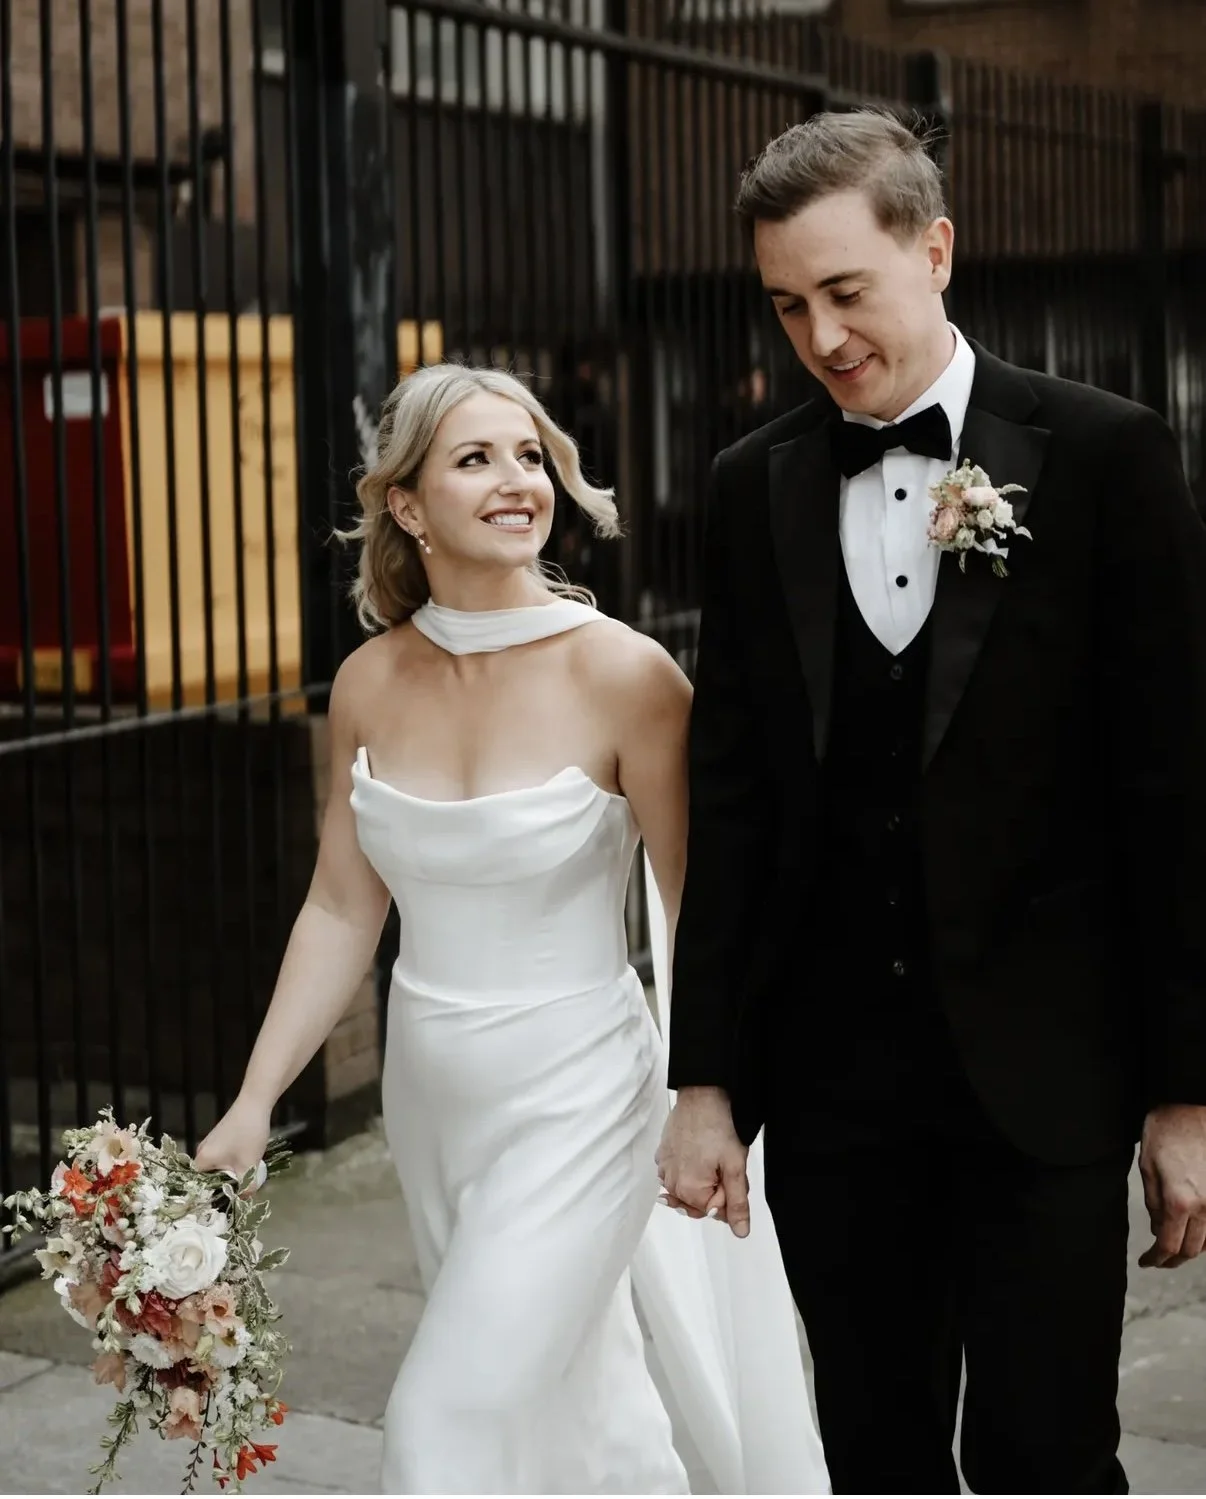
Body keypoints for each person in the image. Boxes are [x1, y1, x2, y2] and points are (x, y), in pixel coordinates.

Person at [656, 109, 1206, 1496]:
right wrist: (706, 1078)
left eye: (846, 291)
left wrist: (1182, 1093)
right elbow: (730, 798)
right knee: (877, 1457)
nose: (821, 337)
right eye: (788, 305)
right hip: (836, 1091)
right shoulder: (748, 485)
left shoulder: (1102, 453)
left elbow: (1172, 791)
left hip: (1051, 1078)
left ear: (936, 248)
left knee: (1047, 1456)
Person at [195, 364, 829, 1494]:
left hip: (583, 1089)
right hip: (436, 1093)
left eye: (531, 455)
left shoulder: (629, 675)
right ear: (405, 503)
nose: (516, 480)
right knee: (570, 1398)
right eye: (476, 458)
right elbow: (343, 904)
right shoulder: (368, 682)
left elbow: (699, 914)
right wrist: (252, 1103)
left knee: (446, 1417)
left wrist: (712, 1097)